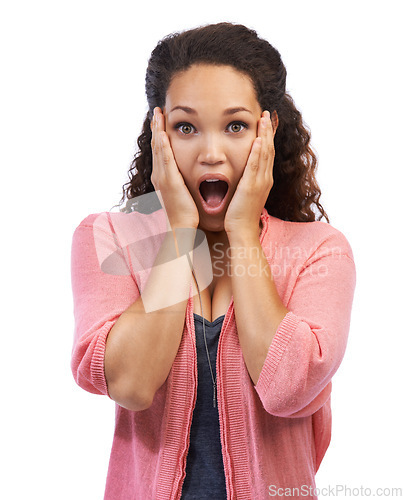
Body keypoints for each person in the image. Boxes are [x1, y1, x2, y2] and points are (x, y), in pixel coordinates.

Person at [70, 22, 356, 500]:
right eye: (185, 127)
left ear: (268, 131)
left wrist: (244, 233)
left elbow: (287, 388)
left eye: (236, 126)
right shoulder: (109, 237)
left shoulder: (320, 250)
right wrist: (179, 232)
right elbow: (132, 384)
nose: (210, 152)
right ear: (157, 131)